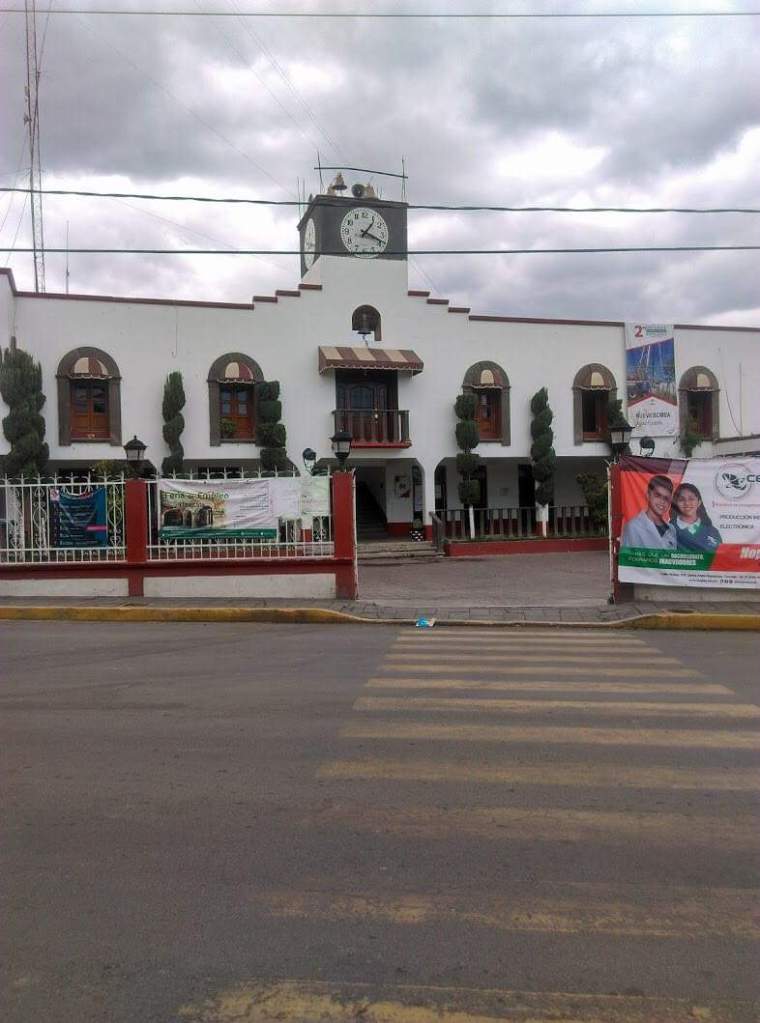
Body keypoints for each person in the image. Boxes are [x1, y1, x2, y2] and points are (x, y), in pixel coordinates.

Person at [621, 474, 677, 549]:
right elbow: (628, 556)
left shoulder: (671, 529)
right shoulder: (633, 527)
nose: (662, 501)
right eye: (657, 495)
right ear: (648, 495)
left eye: (666, 498)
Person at [671, 482, 722, 552]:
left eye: (691, 499)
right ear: (676, 503)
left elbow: (720, 556)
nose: (687, 503)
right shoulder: (667, 530)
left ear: (699, 502)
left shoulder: (713, 532)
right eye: (682, 499)